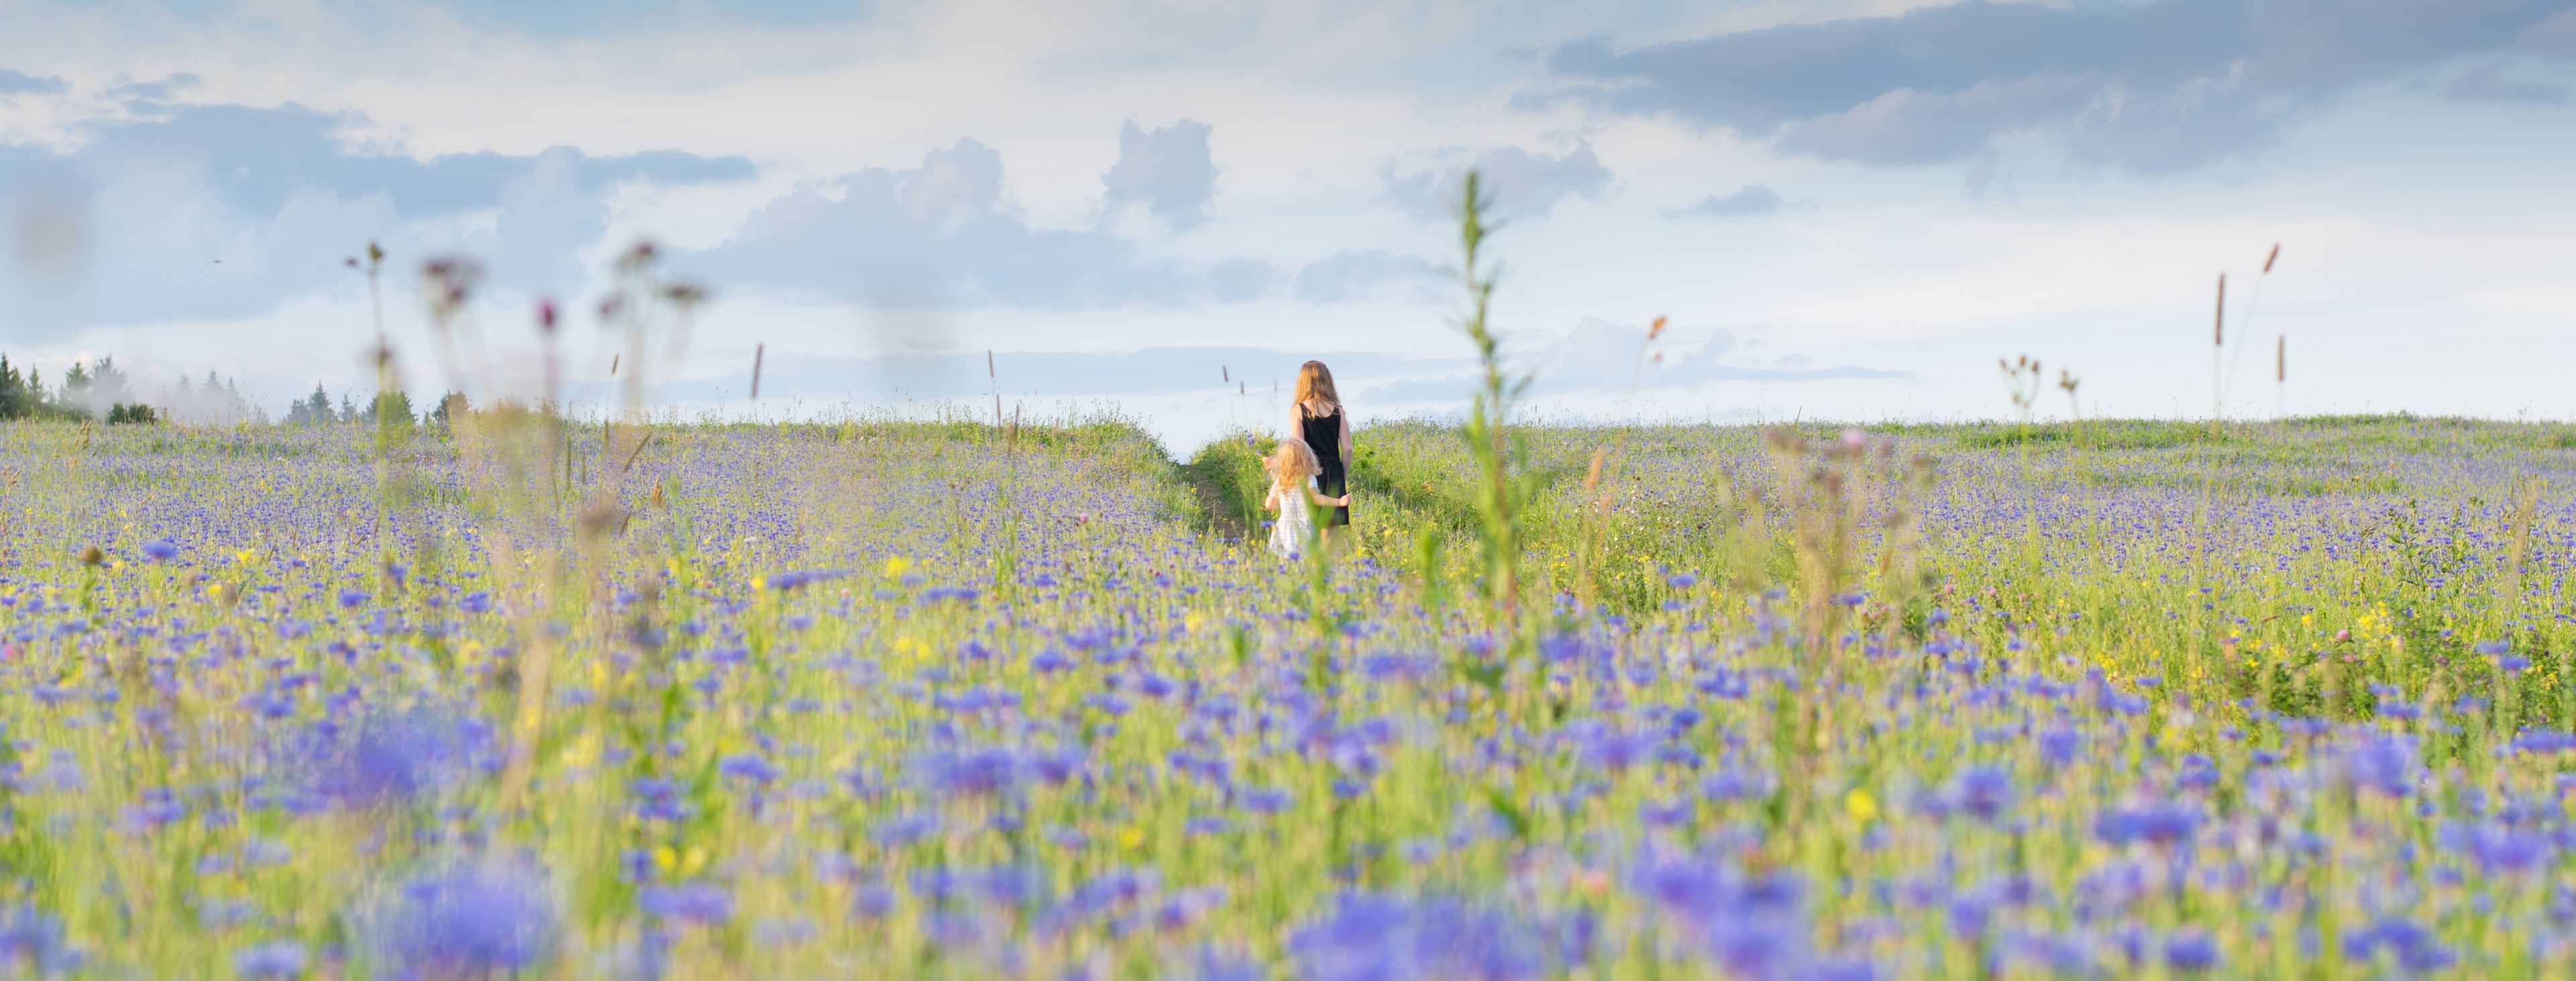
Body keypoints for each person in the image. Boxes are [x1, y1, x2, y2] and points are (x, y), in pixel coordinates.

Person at [1289, 360, 1352, 535]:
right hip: (1334, 474)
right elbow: (1348, 449)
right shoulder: (1338, 410)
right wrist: (1342, 476)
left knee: (1308, 534)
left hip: (1310, 474)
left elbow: (1299, 449)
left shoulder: (1298, 410)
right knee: (1329, 543)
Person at [1263, 437, 1350, 559]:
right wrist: (1339, 502)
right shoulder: (1309, 479)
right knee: (1306, 563)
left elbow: (1269, 505)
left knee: (1286, 563)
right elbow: (1316, 499)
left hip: (1285, 528)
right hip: (1305, 528)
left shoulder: (1281, 480)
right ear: (1307, 459)